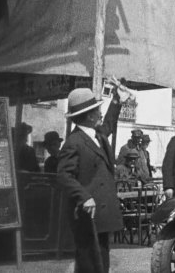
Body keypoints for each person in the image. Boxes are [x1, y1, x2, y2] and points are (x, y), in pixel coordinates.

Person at [56, 86, 125, 273]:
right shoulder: (74, 142)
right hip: (87, 214)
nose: (100, 113)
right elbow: (63, 175)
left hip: (101, 213)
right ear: (89, 116)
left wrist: (117, 100)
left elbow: (109, 123)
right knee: (89, 263)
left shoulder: (98, 135)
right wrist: (84, 196)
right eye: (97, 110)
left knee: (101, 261)